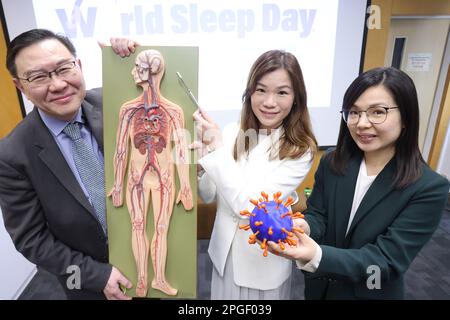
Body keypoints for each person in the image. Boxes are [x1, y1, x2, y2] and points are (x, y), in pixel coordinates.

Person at [268, 67, 450, 299]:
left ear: (406, 117)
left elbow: (386, 261)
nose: (361, 123)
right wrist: (304, 226)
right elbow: (319, 215)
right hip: (320, 289)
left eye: (377, 112)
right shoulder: (333, 161)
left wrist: (317, 254)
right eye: (353, 112)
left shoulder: (428, 187)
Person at [0, 29, 139, 300]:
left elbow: (165, 101)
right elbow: (32, 239)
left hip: (154, 260)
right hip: (90, 283)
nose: (58, 85)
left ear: (79, 65)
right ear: (20, 86)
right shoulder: (13, 154)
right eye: (39, 76)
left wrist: (136, 59)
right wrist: (96, 276)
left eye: (64, 68)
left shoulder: (115, 103)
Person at [191, 50, 317, 299]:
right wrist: (202, 166)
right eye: (261, 90)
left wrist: (216, 153)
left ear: (296, 98)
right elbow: (209, 196)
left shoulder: (300, 149)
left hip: (262, 263)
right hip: (223, 256)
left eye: (282, 92)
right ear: (250, 93)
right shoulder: (230, 132)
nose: (269, 102)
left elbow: (251, 208)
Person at [108, 49, 193, 297]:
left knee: (162, 227)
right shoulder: (128, 110)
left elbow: (181, 151)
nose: (133, 71)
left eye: (138, 67)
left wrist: (186, 185)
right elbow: (121, 149)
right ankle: (142, 279)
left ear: (151, 70)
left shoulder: (174, 111)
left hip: (164, 178)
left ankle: (159, 279)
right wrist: (116, 184)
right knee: (137, 225)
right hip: (136, 178)